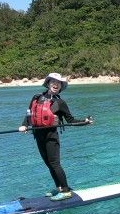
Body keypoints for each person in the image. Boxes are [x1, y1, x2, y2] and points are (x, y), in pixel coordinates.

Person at [19, 72, 93, 201]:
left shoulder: (60, 103)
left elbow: (71, 120)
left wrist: (85, 122)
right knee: (48, 164)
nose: (56, 84)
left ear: (60, 86)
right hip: (38, 135)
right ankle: (59, 188)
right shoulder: (36, 97)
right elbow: (29, 114)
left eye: (58, 83)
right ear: (48, 83)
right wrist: (24, 125)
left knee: (55, 163)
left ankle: (65, 190)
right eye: (53, 82)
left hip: (51, 136)